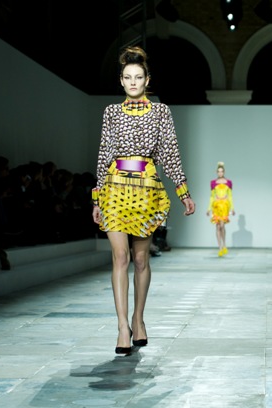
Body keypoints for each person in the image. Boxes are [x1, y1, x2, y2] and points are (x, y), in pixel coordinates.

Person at [91, 46, 195, 355]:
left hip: (147, 190)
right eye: (128, 77)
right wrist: (97, 196)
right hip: (114, 189)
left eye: (138, 77)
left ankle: (138, 319)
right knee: (120, 257)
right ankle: (122, 326)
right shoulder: (111, 112)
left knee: (140, 259)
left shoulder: (161, 112)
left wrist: (183, 191)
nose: (133, 82)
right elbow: (104, 153)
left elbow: (170, 153)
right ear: (121, 80)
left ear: (147, 80)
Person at [206, 161, 234, 257]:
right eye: (218, 171)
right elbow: (211, 196)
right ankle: (220, 247)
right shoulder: (213, 183)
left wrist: (232, 208)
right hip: (216, 205)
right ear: (216, 172)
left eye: (221, 171)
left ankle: (224, 244)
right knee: (217, 226)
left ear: (224, 172)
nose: (220, 173)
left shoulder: (228, 182)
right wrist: (209, 209)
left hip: (225, 206)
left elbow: (230, 196)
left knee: (222, 225)